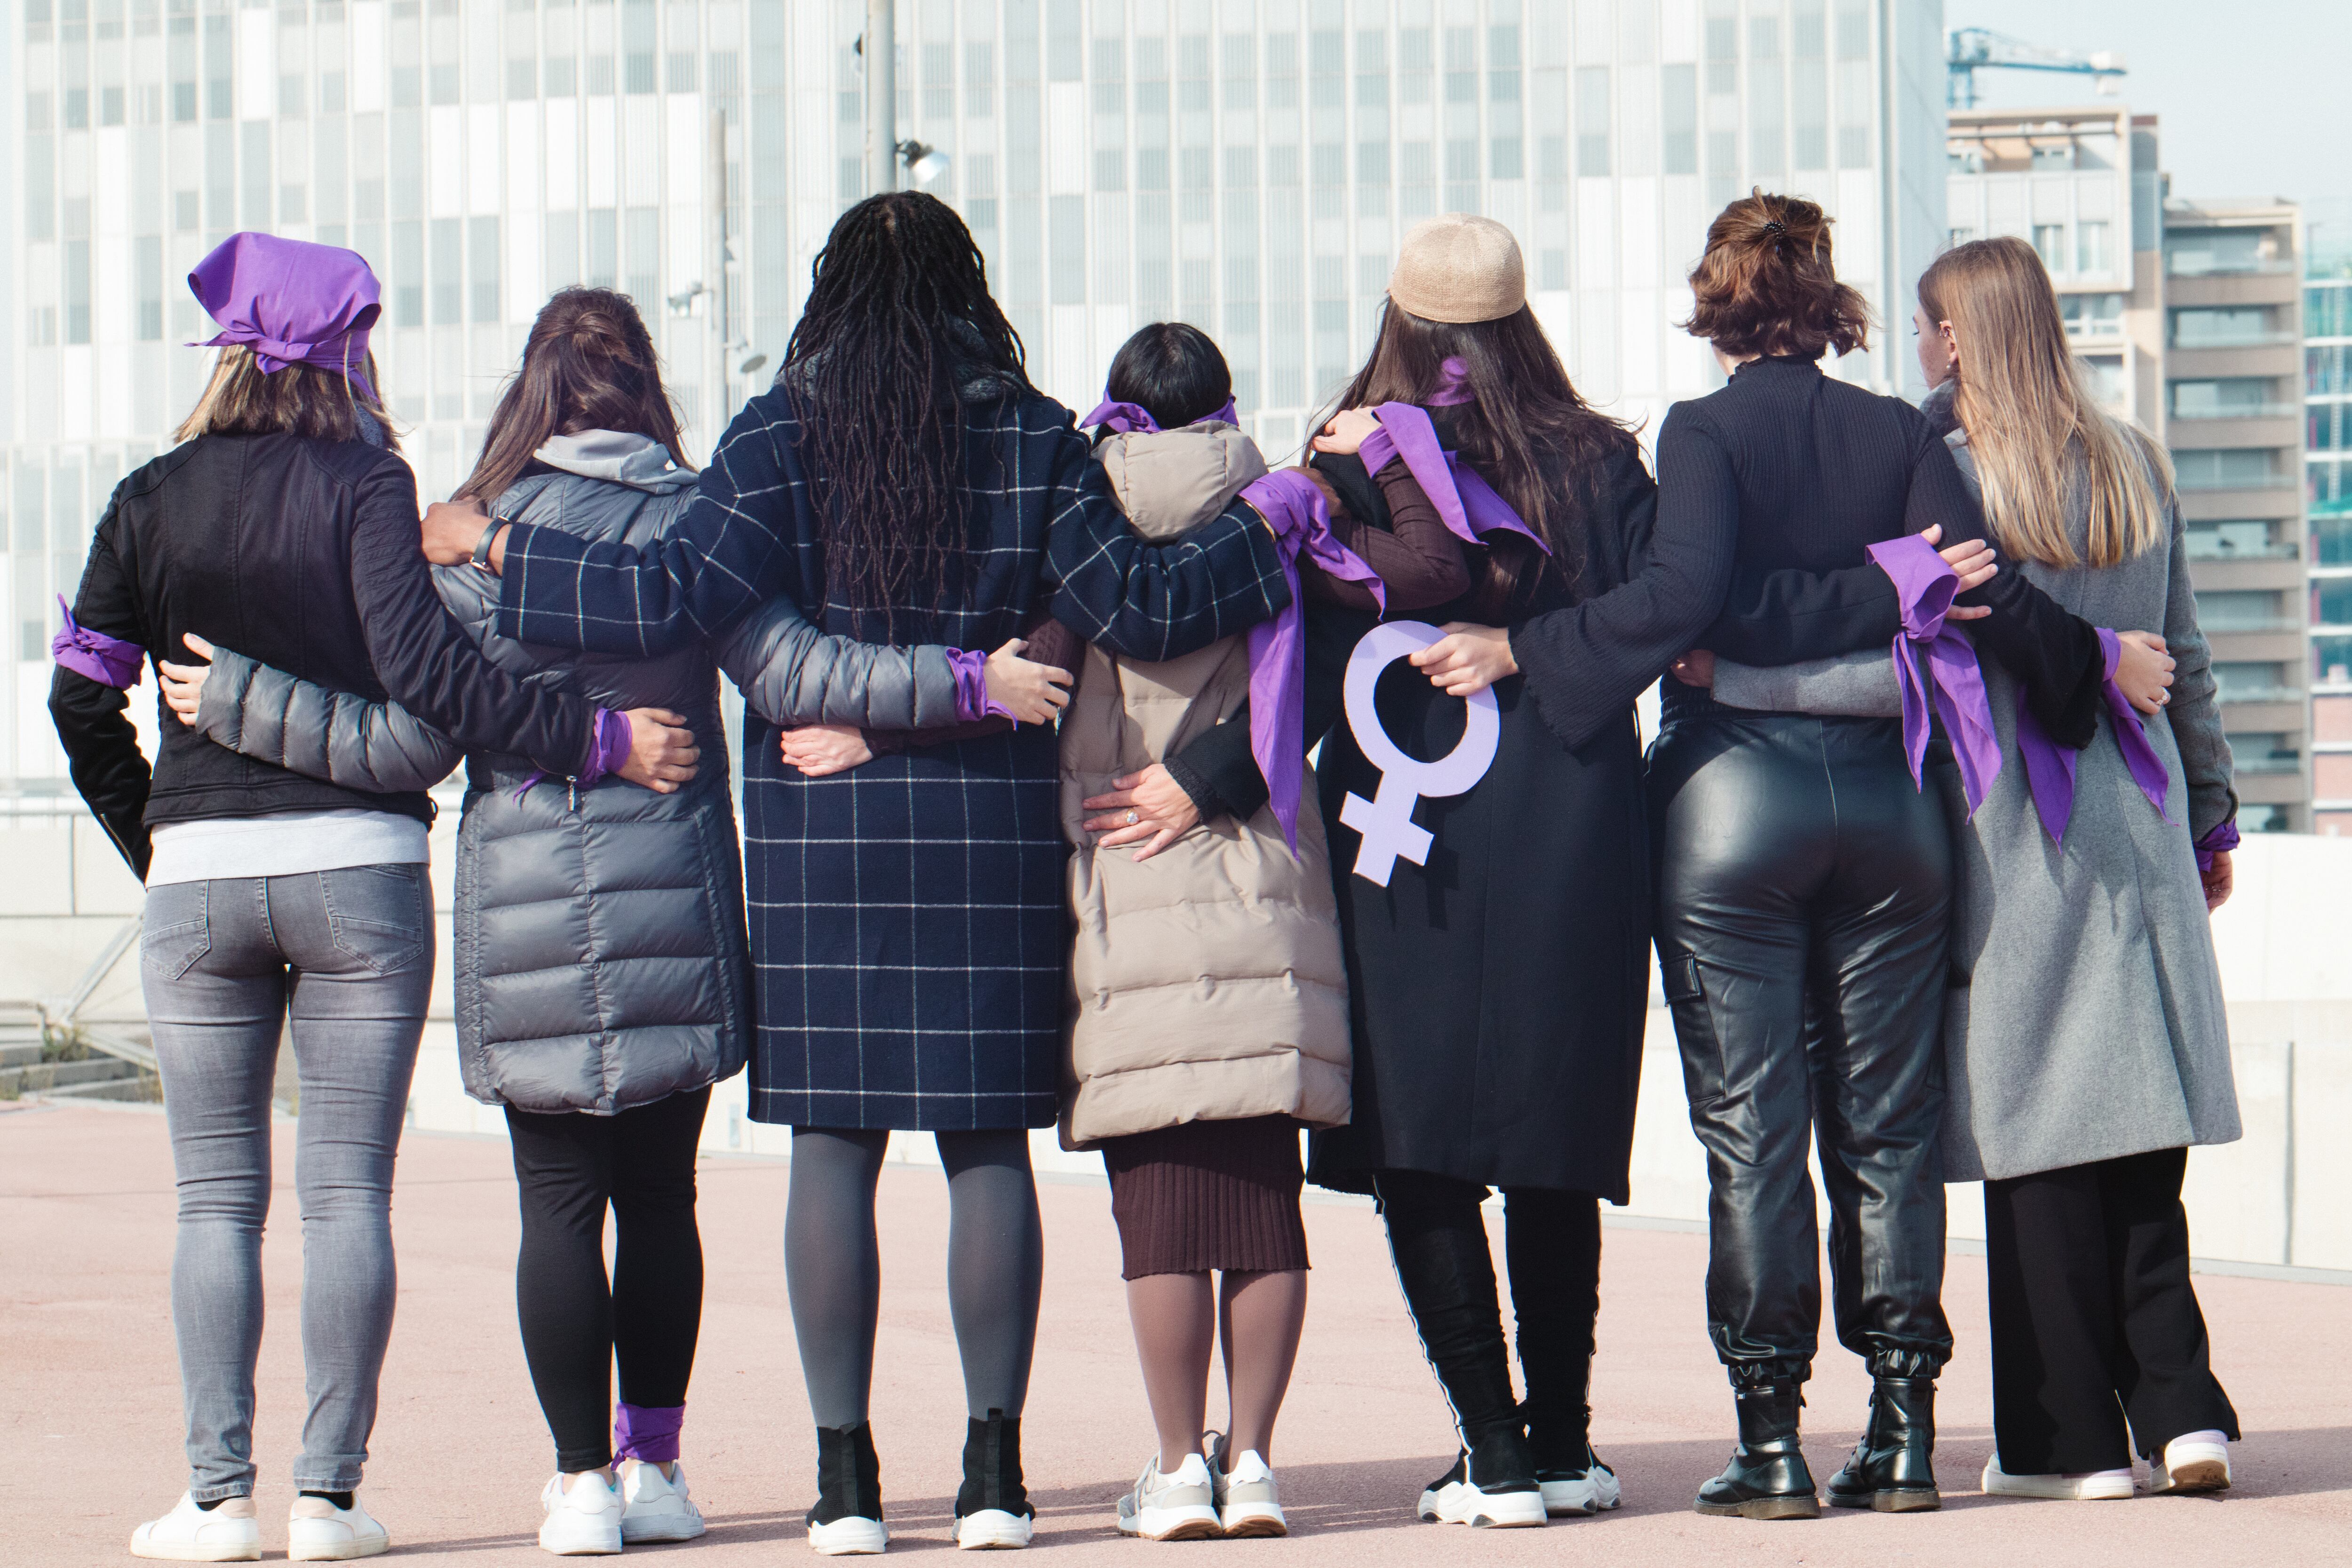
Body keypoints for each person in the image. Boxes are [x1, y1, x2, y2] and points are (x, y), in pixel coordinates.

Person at [414, 194, 1293, 1554]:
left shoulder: (777, 435)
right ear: (968, 292)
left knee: (835, 1149)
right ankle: (993, 1481)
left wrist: (498, 544)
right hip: (990, 827)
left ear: (832, 297)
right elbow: (1144, 602)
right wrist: (1296, 513)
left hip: (826, 836)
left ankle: (844, 1486)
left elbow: (666, 601)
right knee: (986, 1146)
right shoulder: (1038, 433)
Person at [47, 235, 694, 1564]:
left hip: (202, 878)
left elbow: (79, 695)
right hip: (362, 874)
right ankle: (328, 1502)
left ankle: (217, 1501)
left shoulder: (150, 498)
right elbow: (434, 691)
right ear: (348, 351)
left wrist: (157, 838)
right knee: (347, 1199)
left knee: (213, 1204)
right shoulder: (369, 485)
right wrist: (597, 743)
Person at [1122, 212, 1714, 1530]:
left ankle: (1493, 1453)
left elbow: (1300, 681)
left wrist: (1196, 780)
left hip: (1405, 843)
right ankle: (1564, 1445)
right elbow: (1660, 622)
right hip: (1573, 827)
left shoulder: (1348, 454)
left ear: (1399, 317)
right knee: (1555, 1144)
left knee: (1423, 1147)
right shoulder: (1601, 464)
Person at [1643, 193, 2175, 1520]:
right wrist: (2092, 659)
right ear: (1831, 302)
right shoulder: (1893, 432)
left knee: (1752, 1132)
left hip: (1731, 800)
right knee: (1888, 1128)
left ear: (1718, 300)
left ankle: (1771, 1442)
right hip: (1892, 810)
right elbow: (1978, 584)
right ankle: (1902, 1435)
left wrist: (1726, 641)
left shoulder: (1702, 433)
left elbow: (1694, 599)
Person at [1044, 322, 1463, 1541]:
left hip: (1122, 871)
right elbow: (1359, 651)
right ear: (1228, 406)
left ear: (1117, 409)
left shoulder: (1075, 524)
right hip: (1264, 880)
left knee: (1160, 1205)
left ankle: (1178, 1468)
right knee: (1261, 1205)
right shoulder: (1285, 513)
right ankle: (1260, 1464)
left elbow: (1042, 682)